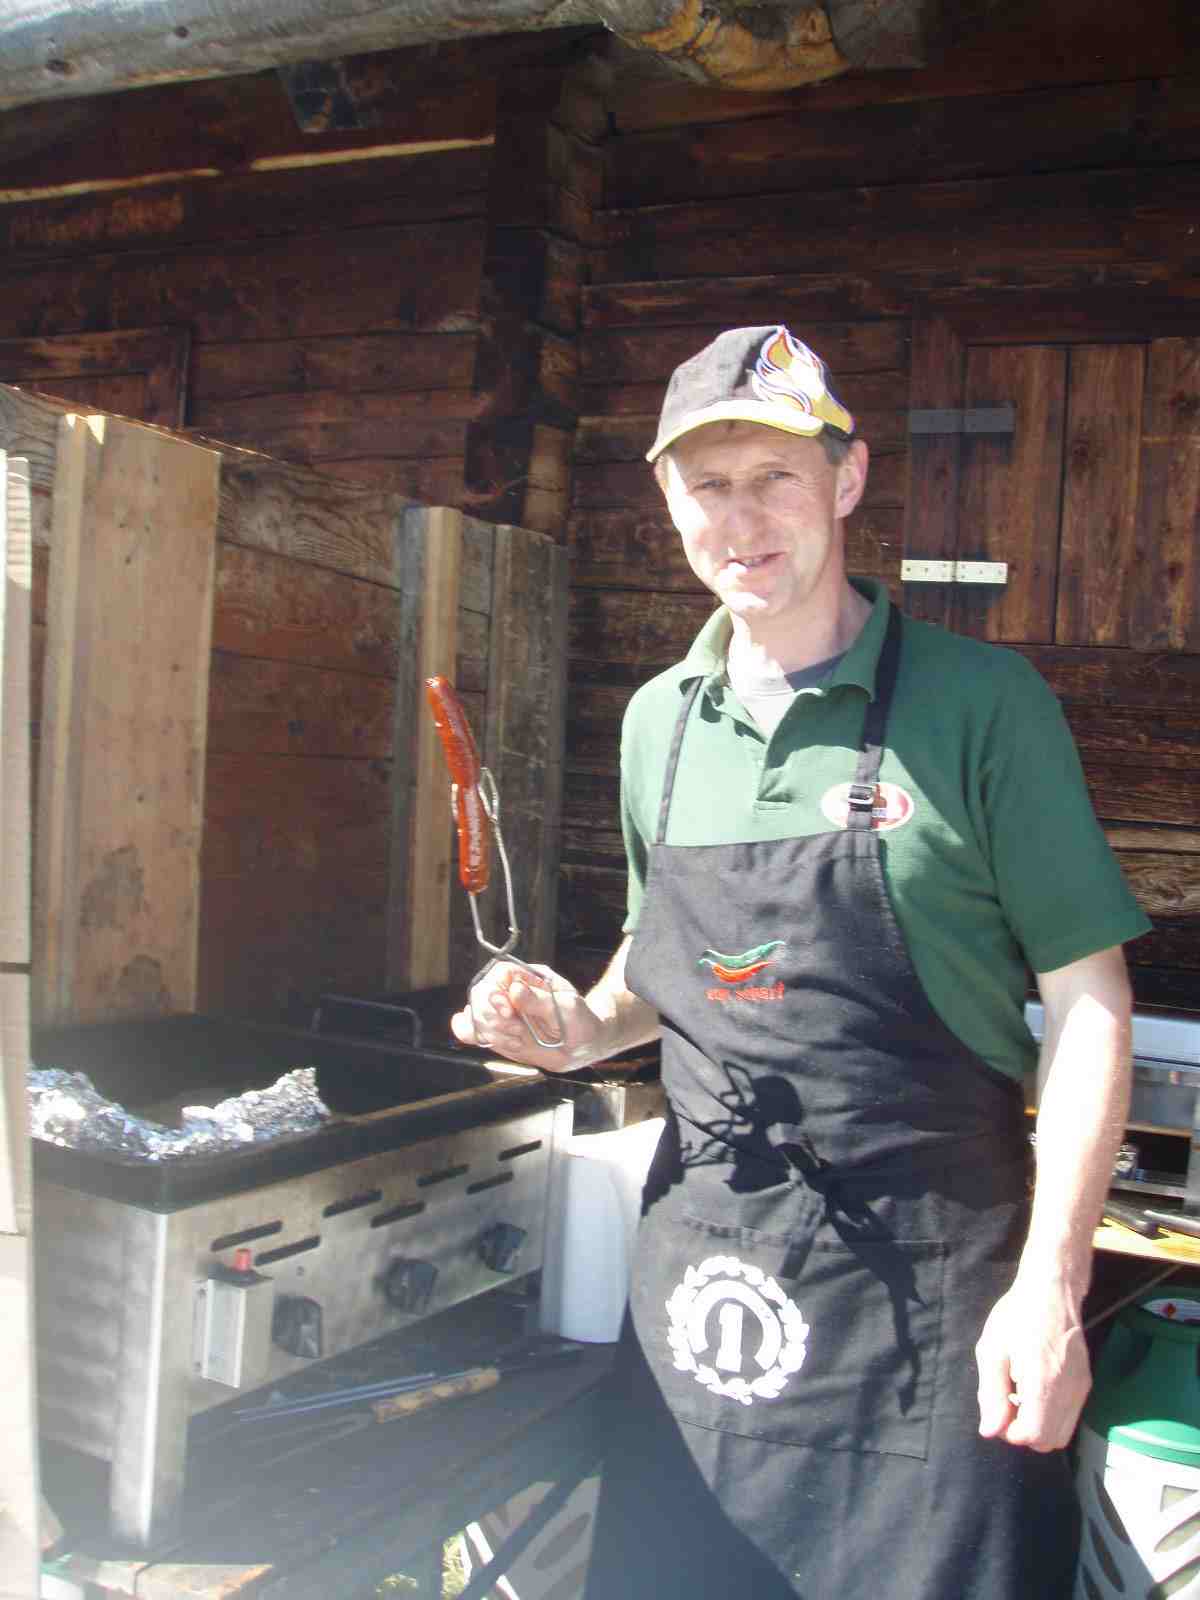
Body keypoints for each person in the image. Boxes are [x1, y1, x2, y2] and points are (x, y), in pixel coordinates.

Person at [451, 324, 1149, 1599]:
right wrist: (576, 1024)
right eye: (707, 483)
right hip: (704, 1286)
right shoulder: (659, 721)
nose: (741, 518)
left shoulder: (981, 703)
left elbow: (1090, 998)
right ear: (669, 504)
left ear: (849, 478)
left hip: (939, 1299)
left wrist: (1053, 1284)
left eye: (775, 475)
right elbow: (661, 963)